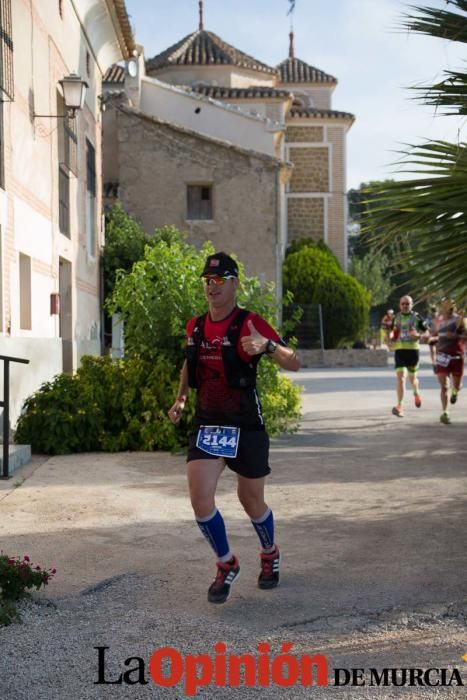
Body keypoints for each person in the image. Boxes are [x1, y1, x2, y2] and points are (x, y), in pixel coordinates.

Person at [168, 252, 301, 604]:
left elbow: (295, 362)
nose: (212, 288)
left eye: (219, 281)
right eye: (207, 282)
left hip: (245, 425)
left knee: (250, 499)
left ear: (234, 284)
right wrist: (181, 398)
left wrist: (267, 346)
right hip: (209, 424)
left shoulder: (249, 323)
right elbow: (189, 362)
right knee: (200, 499)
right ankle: (226, 563)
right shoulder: (195, 326)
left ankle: (269, 553)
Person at [389, 295, 428, 417]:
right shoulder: (397, 317)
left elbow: (427, 332)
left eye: (407, 303)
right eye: (403, 304)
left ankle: (416, 393)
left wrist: (419, 336)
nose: (405, 306)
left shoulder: (416, 317)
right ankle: (400, 406)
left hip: (413, 351)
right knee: (401, 378)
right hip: (400, 350)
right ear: (399, 305)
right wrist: (391, 338)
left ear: (412, 305)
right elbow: (393, 332)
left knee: (412, 380)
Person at [429, 299, 466, 424]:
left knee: (456, 386)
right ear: (441, 307)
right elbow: (432, 339)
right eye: (445, 306)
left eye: (451, 306)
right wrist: (433, 359)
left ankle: (455, 392)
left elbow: (465, 337)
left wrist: (456, 336)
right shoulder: (437, 321)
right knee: (444, 386)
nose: (448, 308)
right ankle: (445, 412)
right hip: (442, 356)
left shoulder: (460, 320)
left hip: (457, 356)